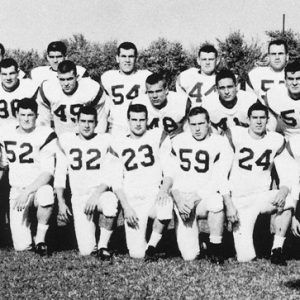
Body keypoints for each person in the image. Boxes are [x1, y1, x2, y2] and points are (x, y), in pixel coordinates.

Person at [163, 106, 237, 263]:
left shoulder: (220, 142)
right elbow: (170, 173)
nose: (197, 128)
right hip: (182, 199)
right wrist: (178, 197)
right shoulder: (178, 140)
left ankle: (216, 248)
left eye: (201, 124)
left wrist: (194, 198)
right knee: (189, 256)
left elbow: (219, 178)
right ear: (188, 125)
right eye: (193, 124)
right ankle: (200, 242)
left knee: (217, 203)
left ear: (209, 123)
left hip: (203, 198)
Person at [227, 102, 295, 265]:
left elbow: (287, 174)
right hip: (240, 199)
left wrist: (283, 191)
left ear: (267, 120)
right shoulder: (236, 135)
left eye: (262, 118)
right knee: (246, 257)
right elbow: (222, 171)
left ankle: (276, 249)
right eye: (255, 118)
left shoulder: (276, 139)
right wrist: (228, 202)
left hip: (261, 196)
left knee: (289, 199)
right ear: (248, 119)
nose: (258, 122)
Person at [54, 106, 118, 259]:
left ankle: (103, 245)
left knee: (110, 202)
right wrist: (61, 202)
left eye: (90, 121)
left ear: (96, 123)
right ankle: (93, 242)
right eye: (83, 121)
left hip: (100, 192)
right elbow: (60, 174)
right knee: (86, 250)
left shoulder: (105, 140)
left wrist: (96, 195)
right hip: (79, 196)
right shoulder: (66, 140)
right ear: (77, 122)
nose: (87, 125)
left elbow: (111, 175)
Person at [111, 104, 173, 260]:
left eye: (142, 119)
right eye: (134, 120)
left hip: (154, 194)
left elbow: (170, 171)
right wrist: (126, 208)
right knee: (136, 254)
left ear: (147, 120)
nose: (138, 123)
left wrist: (163, 190)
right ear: (128, 121)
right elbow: (116, 182)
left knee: (166, 205)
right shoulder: (118, 142)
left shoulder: (157, 136)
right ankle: (144, 245)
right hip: (133, 199)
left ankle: (152, 247)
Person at [0, 98, 57, 255]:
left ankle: (40, 239)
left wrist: (27, 192)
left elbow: (48, 173)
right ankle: (29, 232)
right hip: (17, 189)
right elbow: (3, 165)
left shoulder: (45, 134)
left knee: (46, 195)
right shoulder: (5, 133)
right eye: (23, 114)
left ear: (36, 115)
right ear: (17, 114)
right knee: (22, 246)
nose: (26, 119)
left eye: (30, 115)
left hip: (37, 188)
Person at [37, 60, 106, 135]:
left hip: (84, 139)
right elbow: (43, 121)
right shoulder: (49, 89)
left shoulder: (91, 89)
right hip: (60, 138)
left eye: (70, 79)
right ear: (57, 78)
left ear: (77, 77)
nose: (66, 83)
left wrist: (95, 141)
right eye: (62, 79)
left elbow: (100, 121)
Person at [101, 42, 151, 136]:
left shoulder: (145, 76)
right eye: (123, 56)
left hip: (140, 128)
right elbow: (103, 107)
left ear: (136, 58)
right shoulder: (108, 77)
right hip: (115, 128)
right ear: (117, 58)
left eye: (131, 56)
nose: (127, 60)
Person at [132, 72, 191, 138]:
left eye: (158, 91)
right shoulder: (138, 103)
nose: (155, 96)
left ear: (166, 90)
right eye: (150, 92)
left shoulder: (181, 101)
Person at [203, 68, 257, 133]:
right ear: (216, 89)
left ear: (236, 86)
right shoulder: (209, 104)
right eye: (222, 88)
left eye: (230, 87)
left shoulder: (249, 99)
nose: (226, 92)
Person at [266, 60, 300, 139]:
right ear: (285, 81)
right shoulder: (275, 95)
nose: (294, 83)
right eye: (291, 79)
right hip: (287, 140)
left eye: (298, 78)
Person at [0, 58, 38, 127]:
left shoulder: (29, 87)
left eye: (11, 73)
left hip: (24, 131)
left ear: (18, 73)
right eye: (4, 74)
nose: (8, 78)